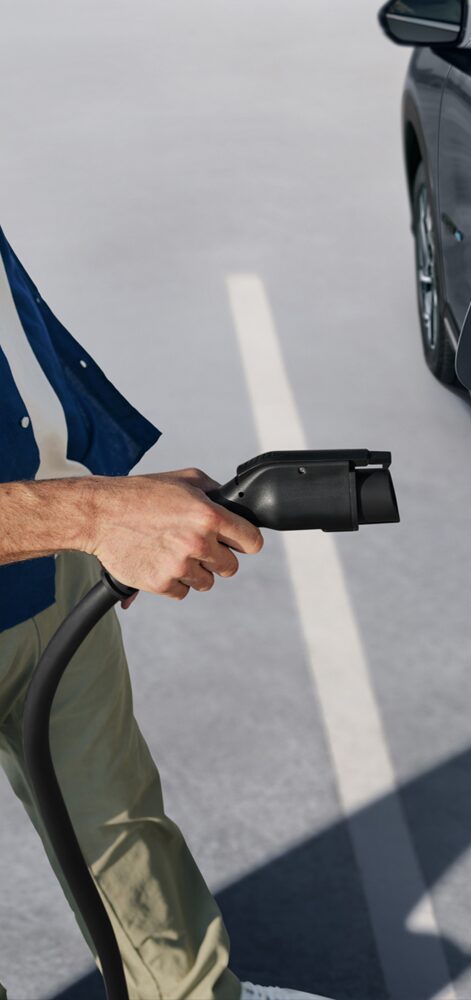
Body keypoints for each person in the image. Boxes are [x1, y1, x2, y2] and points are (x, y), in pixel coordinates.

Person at [0, 227, 329, 1000]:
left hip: (54, 573)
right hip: (64, 532)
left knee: (117, 833)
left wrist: (100, 502)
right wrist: (91, 516)